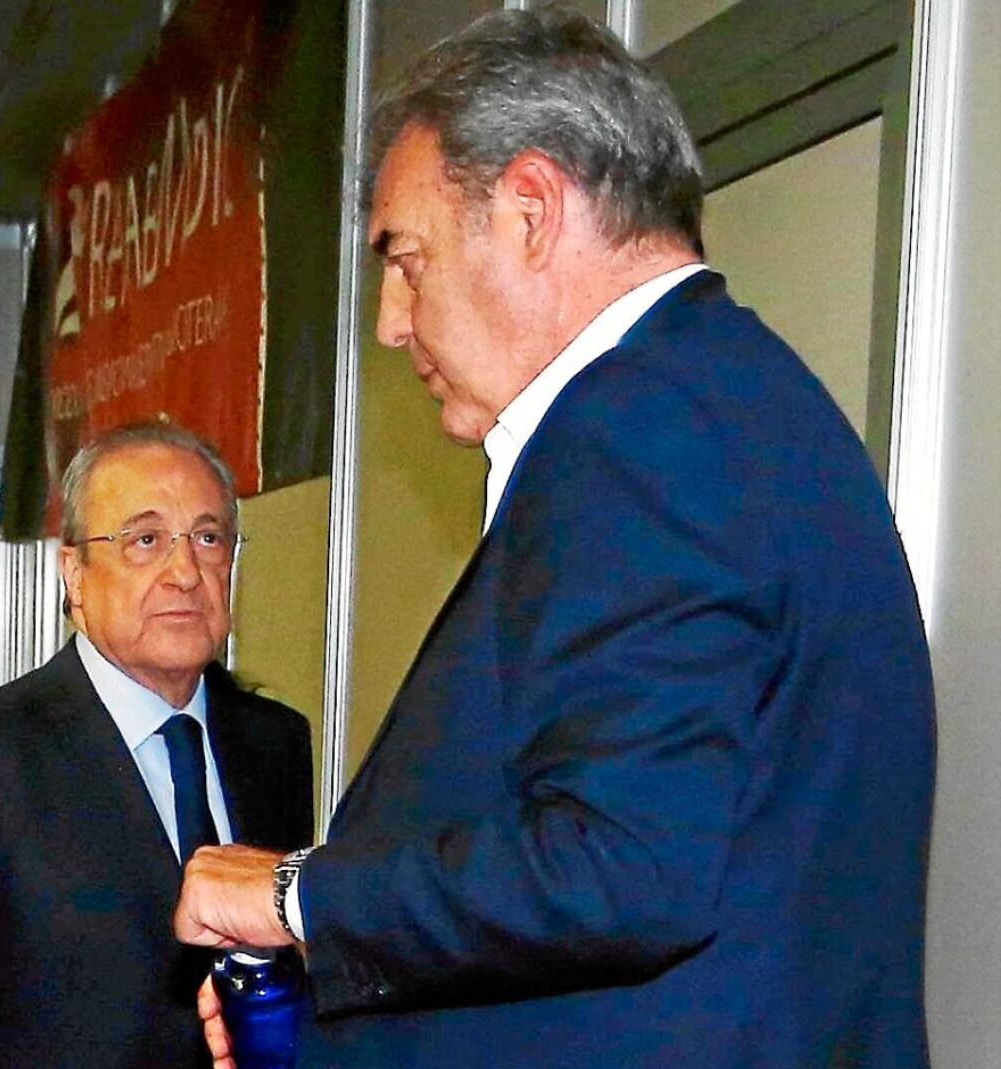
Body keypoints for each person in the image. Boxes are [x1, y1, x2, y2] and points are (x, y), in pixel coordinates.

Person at [173, 10, 934, 1069]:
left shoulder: (639, 432)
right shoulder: (729, 398)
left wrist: (297, 895)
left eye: (406, 258)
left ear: (530, 210)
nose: (391, 321)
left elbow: (625, 867)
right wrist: (326, 993)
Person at [0, 422, 313, 1069]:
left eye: (208, 538)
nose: (185, 573)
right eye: (145, 540)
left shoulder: (275, 743)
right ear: (74, 573)